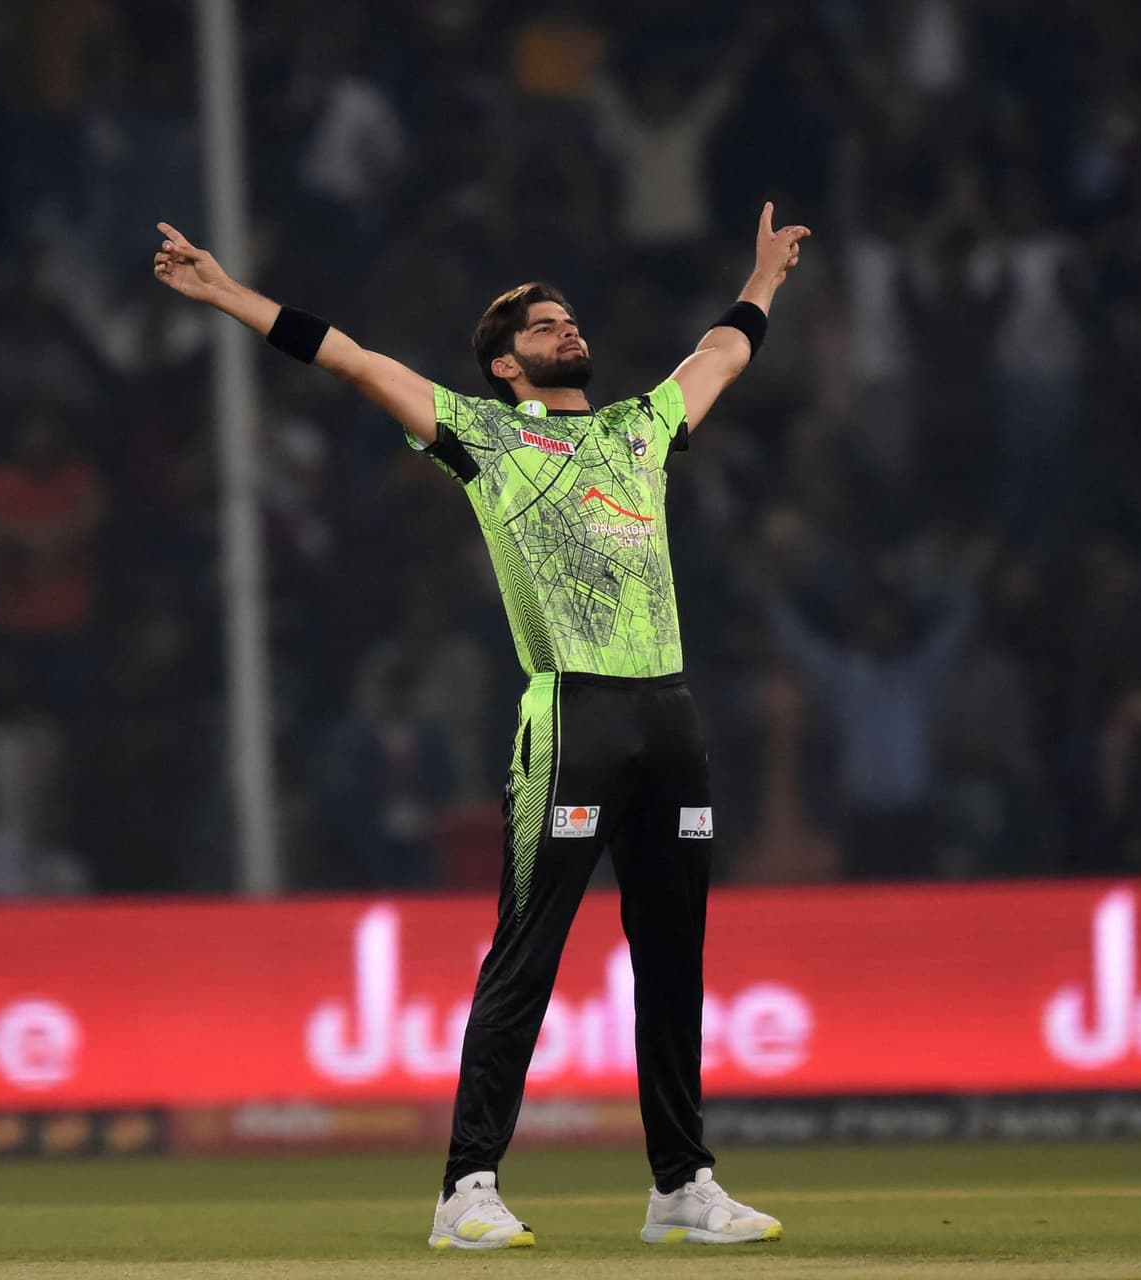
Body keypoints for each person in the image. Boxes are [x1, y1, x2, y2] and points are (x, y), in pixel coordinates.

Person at [152, 203, 807, 1249]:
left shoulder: (639, 428)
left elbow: (721, 352)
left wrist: (763, 275)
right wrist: (230, 294)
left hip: (670, 715)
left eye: (569, 320)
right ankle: (467, 1187)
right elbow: (356, 362)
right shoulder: (485, 434)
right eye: (543, 327)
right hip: (574, 711)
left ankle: (682, 1183)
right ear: (506, 365)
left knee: (673, 956)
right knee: (528, 953)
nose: (567, 332)